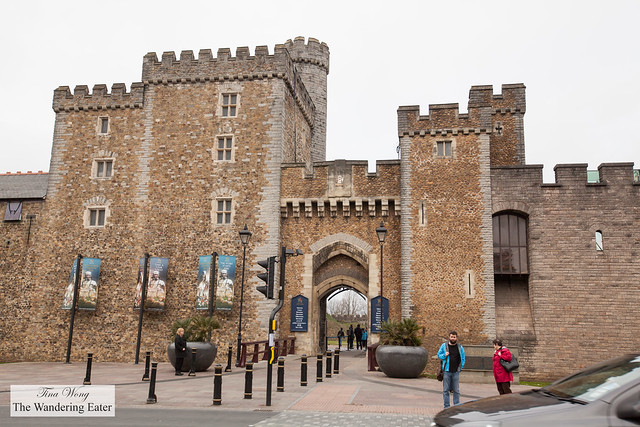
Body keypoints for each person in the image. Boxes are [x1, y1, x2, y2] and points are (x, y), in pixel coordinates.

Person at [437, 331, 466, 408]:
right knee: (446, 390)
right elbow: (439, 355)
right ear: (449, 337)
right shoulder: (444, 346)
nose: (453, 338)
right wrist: (444, 355)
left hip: (455, 371)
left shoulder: (460, 347)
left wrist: (460, 368)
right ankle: (446, 406)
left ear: (456, 338)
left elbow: (463, 359)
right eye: (451, 337)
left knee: (456, 390)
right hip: (446, 371)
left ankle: (456, 406)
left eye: (454, 337)